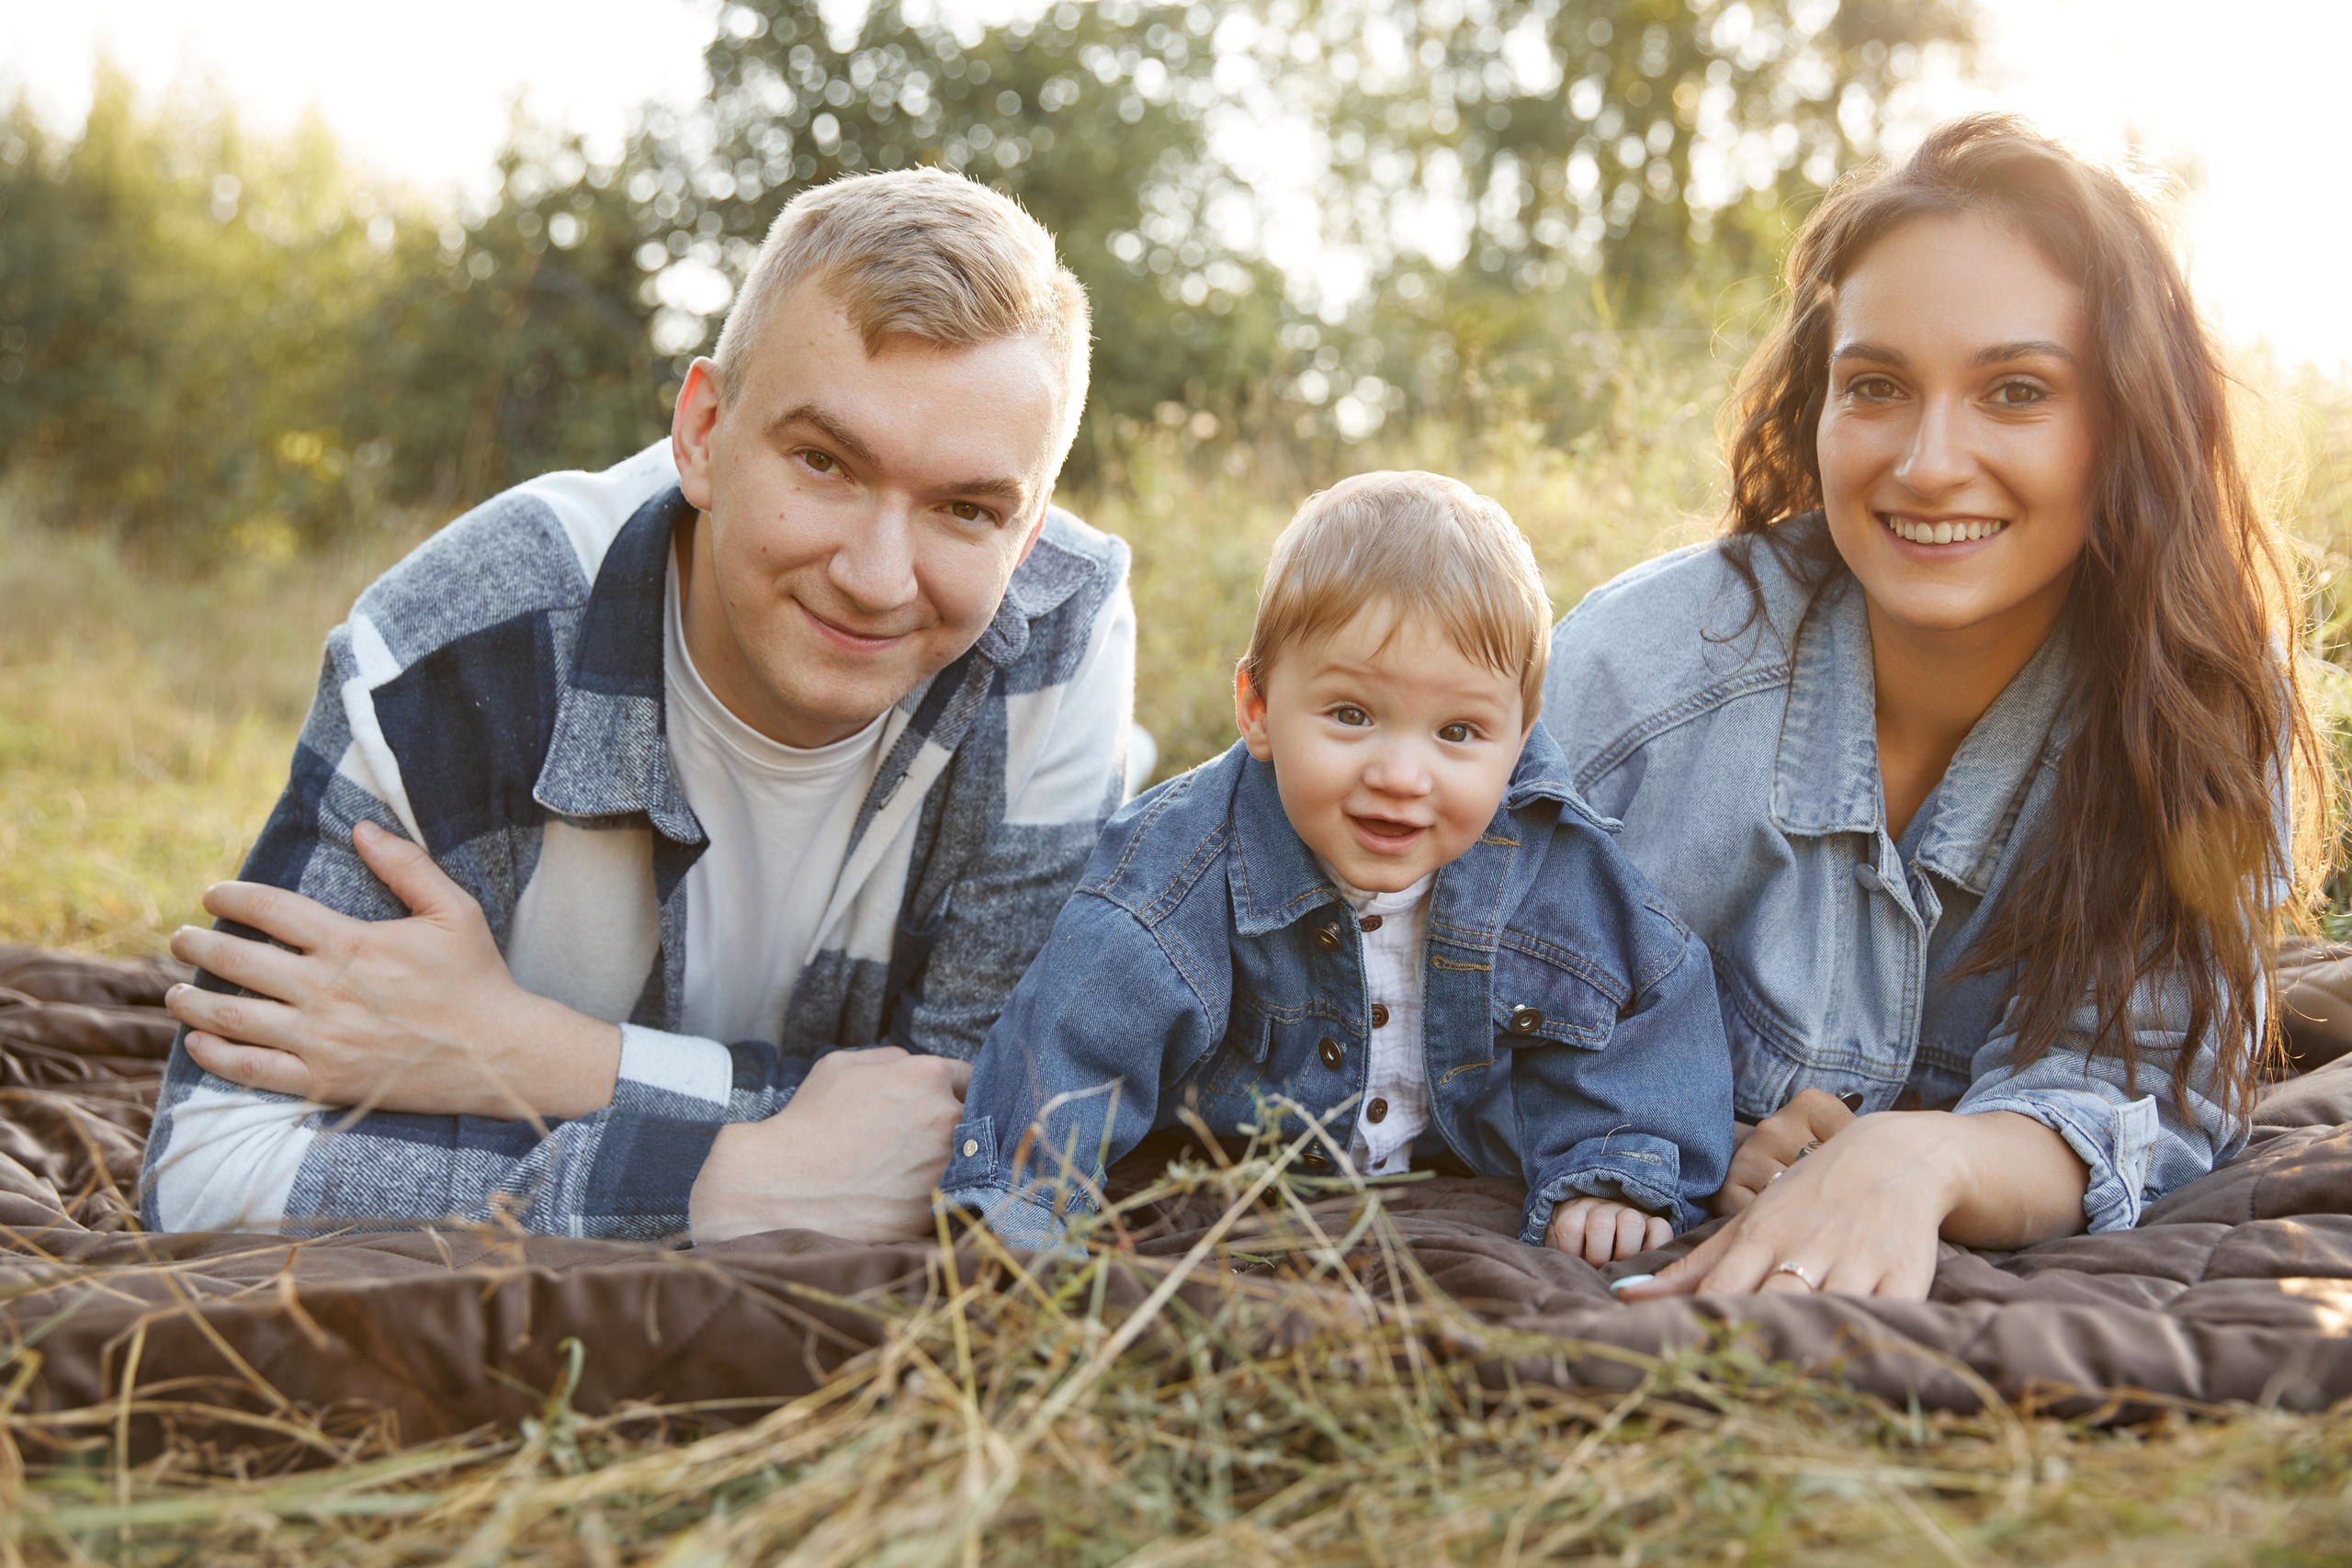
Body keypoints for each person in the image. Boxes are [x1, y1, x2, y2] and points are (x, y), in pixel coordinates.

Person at [141, 168, 1136, 1245]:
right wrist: (721, 1186)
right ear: (703, 433)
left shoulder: (1055, 635)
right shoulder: (460, 642)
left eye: (964, 509)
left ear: (1026, 536)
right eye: (823, 461)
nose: (877, 575)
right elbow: (206, 1167)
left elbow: (977, 1132)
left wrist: (532, 1055)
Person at [1541, 115, 2327, 1300]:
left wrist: (1923, 1159)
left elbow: (2142, 1092)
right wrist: (1665, 1137)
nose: (1924, 462)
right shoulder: (1637, 677)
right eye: (1876, 387)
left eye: (2016, 390)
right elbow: (1406, 971)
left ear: (2124, 424)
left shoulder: (2202, 709)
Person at [941, 471, 1735, 1260]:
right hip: (1238, 1182)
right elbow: (1071, 1043)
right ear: (1257, 709)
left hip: (1451, 1178)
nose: (1401, 773)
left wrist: (1616, 1171)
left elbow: (1652, 1005)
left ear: (1520, 738)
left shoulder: (1550, 864)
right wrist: (1025, 1212)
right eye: (1352, 715)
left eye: (1458, 731)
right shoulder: (1177, 875)